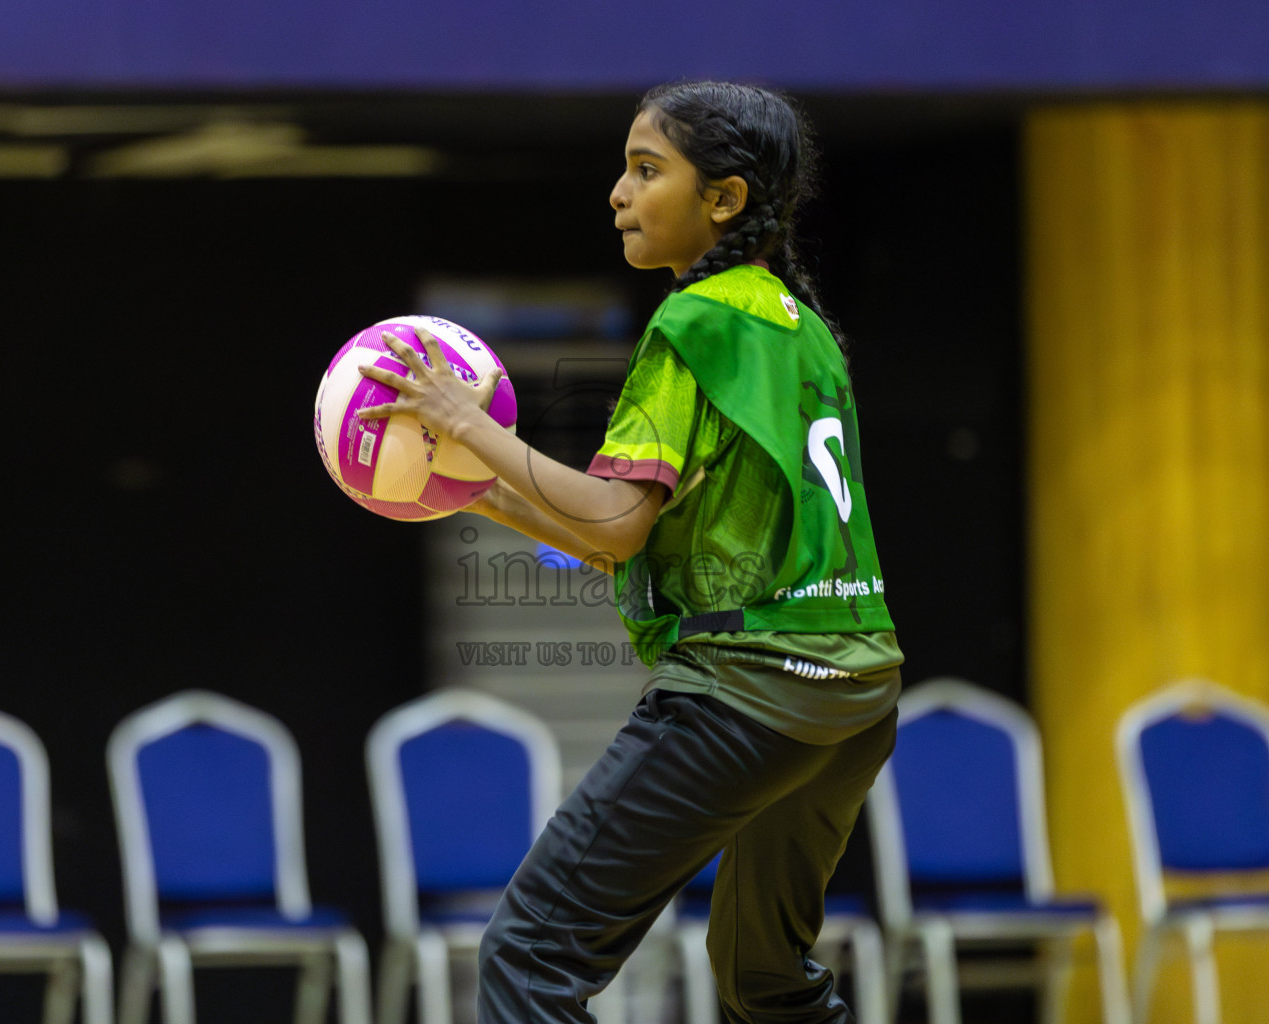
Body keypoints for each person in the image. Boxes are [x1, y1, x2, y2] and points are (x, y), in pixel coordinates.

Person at [358, 80, 902, 1024]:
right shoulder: (802, 328)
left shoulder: (695, 322)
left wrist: (466, 424)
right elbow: (629, 544)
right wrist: (480, 490)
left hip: (749, 690)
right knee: (768, 984)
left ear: (724, 199)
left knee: (528, 953)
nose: (617, 191)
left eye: (647, 170)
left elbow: (614, 521)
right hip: (855, 695)